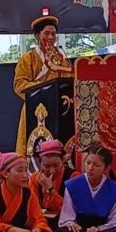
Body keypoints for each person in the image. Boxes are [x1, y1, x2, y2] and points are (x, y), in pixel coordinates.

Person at [13, 16, 73, 156]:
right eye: (46, 33)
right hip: (35, 110)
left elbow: (68, 81)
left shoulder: (61, 59)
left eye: (53, 34)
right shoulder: (28, 58)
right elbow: (19, 84)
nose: (51, 37)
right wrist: (46, 88)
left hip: (58, 109)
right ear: (37, 35)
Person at [28, 139, 79, 228]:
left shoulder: (74, 177)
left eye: (56, 165)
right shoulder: (34, 178)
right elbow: (32, 207)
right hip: (42, 222)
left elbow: (72, 210)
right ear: (40, 163)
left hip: (66, 224)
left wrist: (50, 189)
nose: (52, 171)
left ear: (63, 161)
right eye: (46, 166)